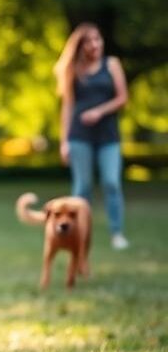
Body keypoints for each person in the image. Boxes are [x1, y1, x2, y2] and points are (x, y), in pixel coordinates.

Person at [54, 22, 130, 250]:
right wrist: (64, 141)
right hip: (79, 135)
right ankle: (78, 234)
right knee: (81, 188)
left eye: (98, 39)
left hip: (108, 136)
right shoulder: (72, 70)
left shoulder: (112, 64)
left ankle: (117, 233)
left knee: (111, 182)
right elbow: (67, 107)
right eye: (89, 41)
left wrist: (99, 111)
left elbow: (122, 98)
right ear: (80, 45)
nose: (95, 44)